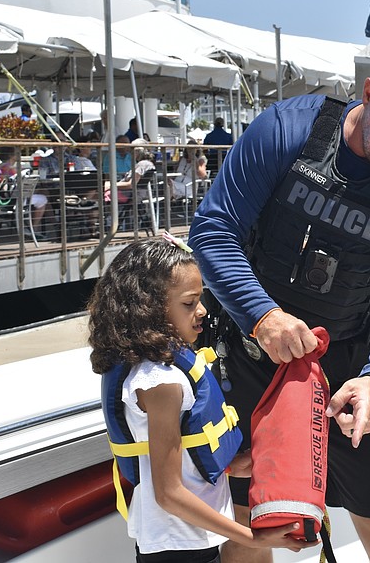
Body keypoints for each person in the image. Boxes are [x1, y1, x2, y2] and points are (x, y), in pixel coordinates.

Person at [188, 41, 370, 562]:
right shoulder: (286, 130)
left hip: (353, 370)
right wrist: (262, 316)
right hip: (252, 358)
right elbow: (213, 230)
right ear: (368, 94)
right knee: (248, 524)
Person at [87, 235, 312, 563]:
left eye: (201, 299)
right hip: (177, 546)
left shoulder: (160, 367)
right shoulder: (160, 382)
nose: (203, 311)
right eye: (189, 303)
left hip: (187, 542)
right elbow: (168, 494)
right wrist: (253, 536)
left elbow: (177, 460)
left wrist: (230, 467)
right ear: (150, 308)